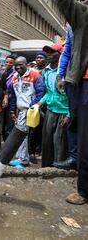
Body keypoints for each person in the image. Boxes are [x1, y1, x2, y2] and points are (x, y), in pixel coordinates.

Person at [55, 0, 88, 205]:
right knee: (84, 137)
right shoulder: (83, 17)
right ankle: (85, 190)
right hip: (84, 84)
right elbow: (65, 1)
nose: (83, 3)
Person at [8, 57, 45, 169]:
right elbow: (14, 95)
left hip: (30, 110)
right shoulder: (15, 77)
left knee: (23, 135)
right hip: (20, 111)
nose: (18, 67)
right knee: (21, 135)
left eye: (21, 64)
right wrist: (12, 110)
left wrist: (31, 106)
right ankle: (20, 158)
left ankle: (24, 161)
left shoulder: (35, 76)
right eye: (16, 65)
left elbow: (41, 92)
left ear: (26, 64)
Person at [37, 43, 70, 167]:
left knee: (59, 142)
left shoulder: (66, 72)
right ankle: (46, 167)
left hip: (64, 112)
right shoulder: (46, 72)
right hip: (50, 111)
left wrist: (69, 114)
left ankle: (58, 168)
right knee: (46, 141)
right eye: (48, 52)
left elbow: (73, 96)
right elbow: (48, 93)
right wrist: (40, 103)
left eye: (52, 52)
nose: (49, 55)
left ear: (60, 54)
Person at [54, 23, 79, 170]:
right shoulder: (71, 28)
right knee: (74, 121)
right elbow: (67, 52)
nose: (83, 2)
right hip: (74, 80)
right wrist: (59, 76)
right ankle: (74, 158)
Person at [2, 54, 17, 140]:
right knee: (3, 123)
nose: (8, 64)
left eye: (11, 63)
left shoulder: (15, 75)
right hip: (3, 102)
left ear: (14, 64)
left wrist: (7, 96)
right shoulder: (3, 73)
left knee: (9, 123)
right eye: (7, 62)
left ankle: (8, 143)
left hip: (11, 102)